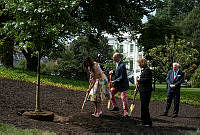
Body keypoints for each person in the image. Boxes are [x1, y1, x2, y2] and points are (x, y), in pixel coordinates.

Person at [109, 52, 129, 117]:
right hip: (117, 84)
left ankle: (126, 112)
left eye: (114, 57)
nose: (113, 58)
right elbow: (117, 72)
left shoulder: (122, 65)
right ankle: (115, 106)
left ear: (118, 57)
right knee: (110, 93)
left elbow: (122, 76)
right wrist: (113, 72)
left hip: (123, 85)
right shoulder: (116, 64)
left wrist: (114, 81)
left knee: (123, 98)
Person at [137, 58, 153, 127]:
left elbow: (148, 79)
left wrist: (140, 79)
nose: (139, 65)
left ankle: (148, 122)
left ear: (142, 63)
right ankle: (144, 121)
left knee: (145, 107)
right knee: (143, 107)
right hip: (143, 90)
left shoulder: (147, 70)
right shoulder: (145, 70)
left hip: (146, 91)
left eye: (139, 63)